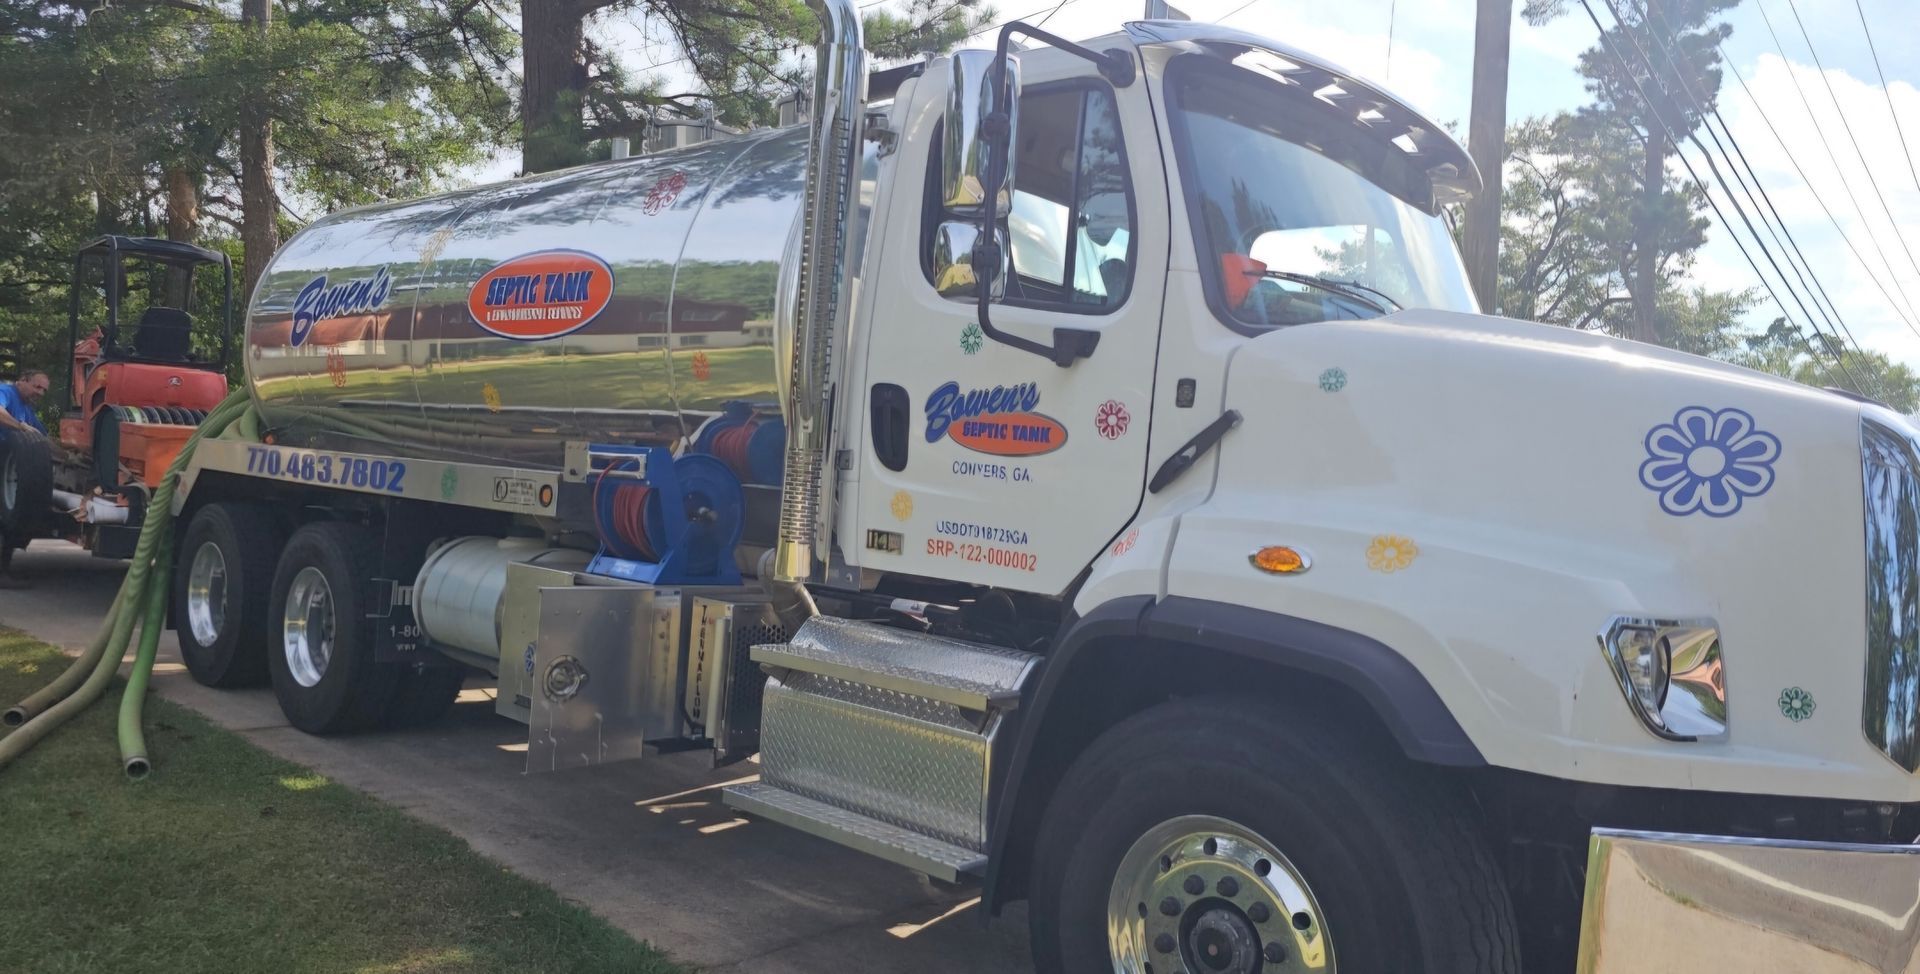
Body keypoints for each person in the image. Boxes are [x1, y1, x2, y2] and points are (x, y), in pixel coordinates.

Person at [0, 370, 48, 437]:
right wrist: (20, 426)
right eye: (38, 387)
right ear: (23, 380)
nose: (41, 393)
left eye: (44, 390)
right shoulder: (5, 390)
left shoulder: (28, 408)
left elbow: (43, 435)